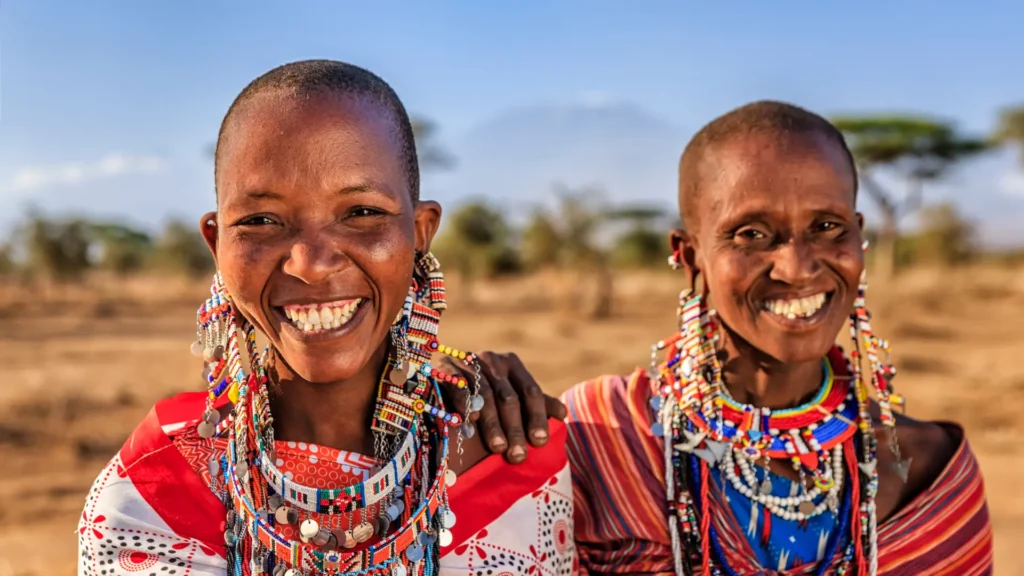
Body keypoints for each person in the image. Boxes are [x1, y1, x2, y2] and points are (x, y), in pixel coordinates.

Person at [76, 60, 576, 576]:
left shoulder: (516, 463)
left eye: (362, 213)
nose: (310, 264)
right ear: (217, 242)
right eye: (261, 221)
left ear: (420, 230)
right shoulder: (149, 499)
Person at [469, 102, 993, 575]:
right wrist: (456, 400)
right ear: (690, 255)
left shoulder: (932, 475)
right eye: (751, 234)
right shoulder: (605, 437)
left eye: (828, 226)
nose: (795, 267)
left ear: (859, 237)